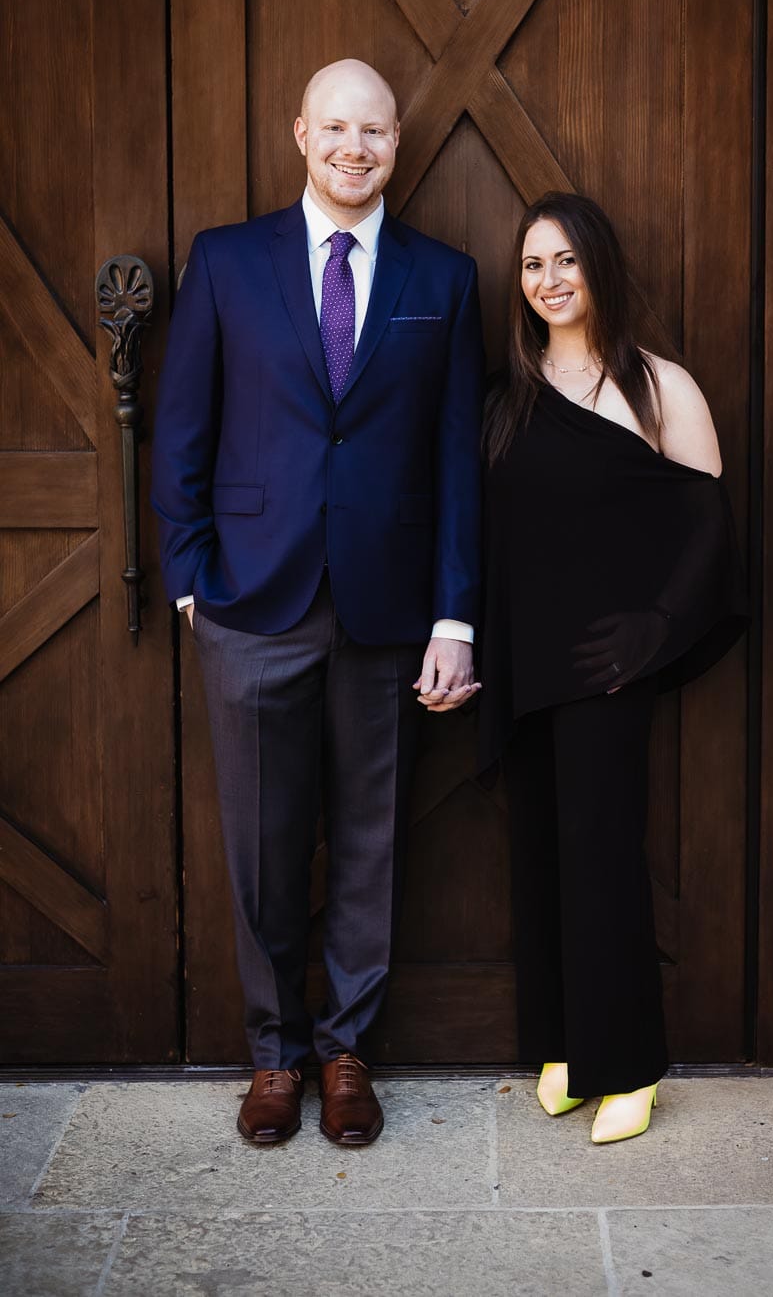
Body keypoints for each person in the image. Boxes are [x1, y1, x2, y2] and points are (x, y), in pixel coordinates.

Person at [151, 59, 483, 1147]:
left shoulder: (445, 278)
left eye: (373, 131)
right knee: (260, 841)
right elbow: (183, 429)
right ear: (300, 132)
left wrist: (453, 615)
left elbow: (452, 464)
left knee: (369, 842)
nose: (354, 147)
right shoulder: (227, 261)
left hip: (387, 609)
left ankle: (344, 1052)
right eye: (335, 126)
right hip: (251, 601)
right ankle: (270, 1055)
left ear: (397, 143)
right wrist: (191, 577)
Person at [479, 192, 747, 1144]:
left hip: (607, 667)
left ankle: (628, 1066)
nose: (547, 282)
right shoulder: (506, 394)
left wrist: (657, 629)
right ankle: (563, 1047)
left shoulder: (656, 386)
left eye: (564, 263)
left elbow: (708, 527)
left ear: (598, 268)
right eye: (530, 266)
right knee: (541, 860)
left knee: (602, 859)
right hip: (525, 663)